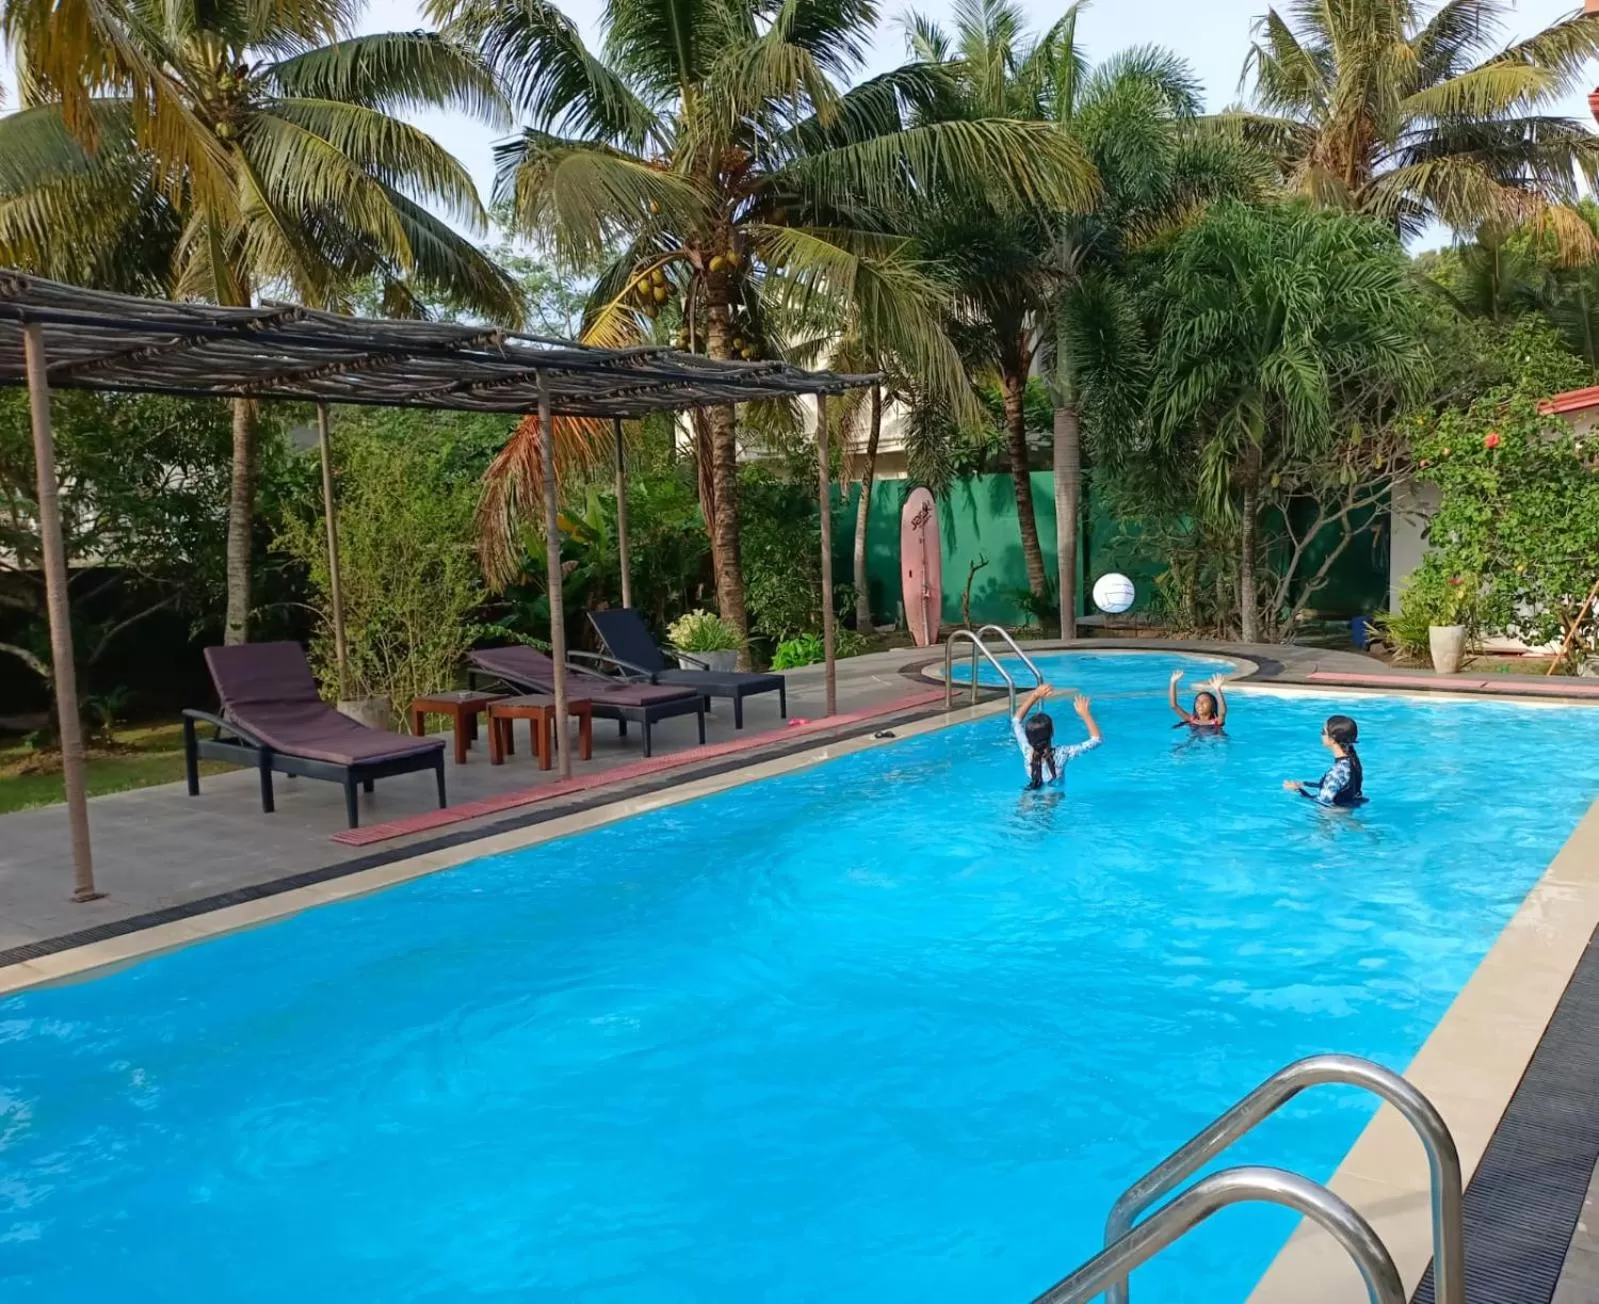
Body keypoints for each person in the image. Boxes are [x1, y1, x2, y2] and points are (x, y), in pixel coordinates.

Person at [1013, 684, 1102, 790]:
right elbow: (1096, 740)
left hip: (1028, 794)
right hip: (1054, 797)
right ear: (1052, 733)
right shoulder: (1062, 753)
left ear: (1028, 736)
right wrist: (1086, 714)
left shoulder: (1027, 750)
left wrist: (1035, 696)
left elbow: (1016, 721)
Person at [1283, 714, 1366, 807]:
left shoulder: (1337, 771)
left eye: (1323, 732)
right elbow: (1335, 787)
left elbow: (1322, 803)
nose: (1321, 735)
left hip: (1333, 815)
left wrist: (1297, 790)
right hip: (1346, 811)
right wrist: (1304, 784)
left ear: (1332, 739)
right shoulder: (1351, 762)